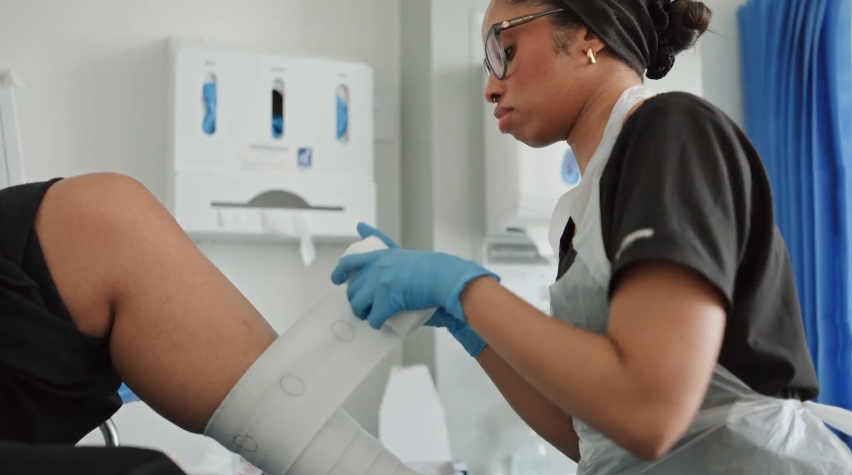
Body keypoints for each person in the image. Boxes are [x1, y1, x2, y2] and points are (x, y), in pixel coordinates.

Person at [331, 0, 852, 474]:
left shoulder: (672, 131)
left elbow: (647, 412)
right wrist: (472, 328)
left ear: (589, 33)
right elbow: (591, 434)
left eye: (504, 51)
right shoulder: (578, 215)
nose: (490, 86)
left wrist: (465, 289)